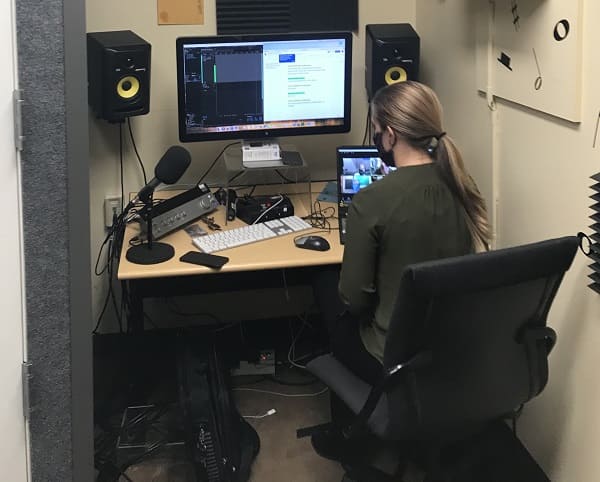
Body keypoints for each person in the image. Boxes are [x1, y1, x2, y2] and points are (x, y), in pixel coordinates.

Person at [311, 81, 490, 457]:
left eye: (376, 131)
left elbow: (355, 298)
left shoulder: (372, 200)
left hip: (391, 358)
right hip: (451, 349)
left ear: (389, 135)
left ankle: (348, 437)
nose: (376, 138)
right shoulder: (463, 185)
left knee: (327, 287)